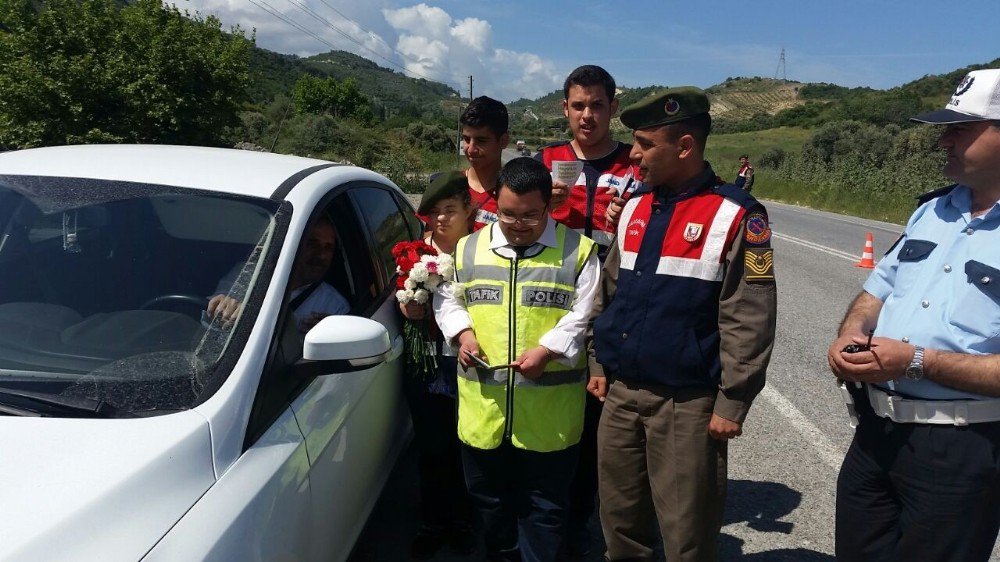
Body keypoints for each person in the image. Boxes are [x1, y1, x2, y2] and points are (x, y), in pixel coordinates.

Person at [588, 87, 778, 562]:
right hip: (621, 394)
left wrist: (733, 400)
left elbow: (750, 313)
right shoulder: (633, 206)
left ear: (686, 146)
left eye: (645, 144)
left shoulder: (740, 215)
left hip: (687, 404)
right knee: (619, 525)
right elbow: (607, 293)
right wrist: (595, 358)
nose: (633, 154)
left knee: (686, 535)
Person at [827, 68, 1000, 562]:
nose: (942, 140)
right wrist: (851, 334)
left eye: (959, 128)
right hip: (877, 434)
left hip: (962, 449)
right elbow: (875, 291)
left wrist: (916, 361)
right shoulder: (931, 212)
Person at [433, 157, 600, 562]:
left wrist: (548, 350)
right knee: (490, 505)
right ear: (495, 203)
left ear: (548, 206)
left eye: (530, 215)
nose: (518, 224)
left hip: (549, 418)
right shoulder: (469, 248)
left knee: (544, 509)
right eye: (508, 214)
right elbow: (447, 297)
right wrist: (463, 333)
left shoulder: (578, 252)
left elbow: (587, 312)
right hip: (483, 414)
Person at [534, 63, 640, 557]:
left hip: (616, 299)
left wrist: (628, 219)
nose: (588, 115)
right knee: (561, 401)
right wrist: (546, 210)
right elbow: (516, 225)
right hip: (557, 299)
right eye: (579, 106)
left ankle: (606, 510)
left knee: (605, 409)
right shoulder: (546, 159)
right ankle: (563, 511)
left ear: (613, 108)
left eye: (598, 105)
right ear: (565, 109)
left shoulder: (633, 163)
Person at [398, 171, 476, 558]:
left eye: (451, 210)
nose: (442, 219)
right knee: (431, 446)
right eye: (435, 212)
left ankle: (464, 519)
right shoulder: (412, 253)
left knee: (467, 445)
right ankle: (433, 520)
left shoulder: (481, 250)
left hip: (468, 362)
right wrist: (406, 309)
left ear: (468, 210)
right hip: (426, 363)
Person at [206, 216, 349, 333]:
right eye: (312, 243)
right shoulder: (247, 273)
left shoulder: (335, 307)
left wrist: (328, 336)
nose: (321, 255)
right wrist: (223, 307)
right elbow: (209, 318)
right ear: (294, 243)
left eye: (328, 247)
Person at [460, 96, 510, 231]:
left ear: (503, 141)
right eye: (466, 139)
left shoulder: (515, 194)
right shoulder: (448, 187)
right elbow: (429, 241)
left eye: (481, 141)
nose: (470, 149)